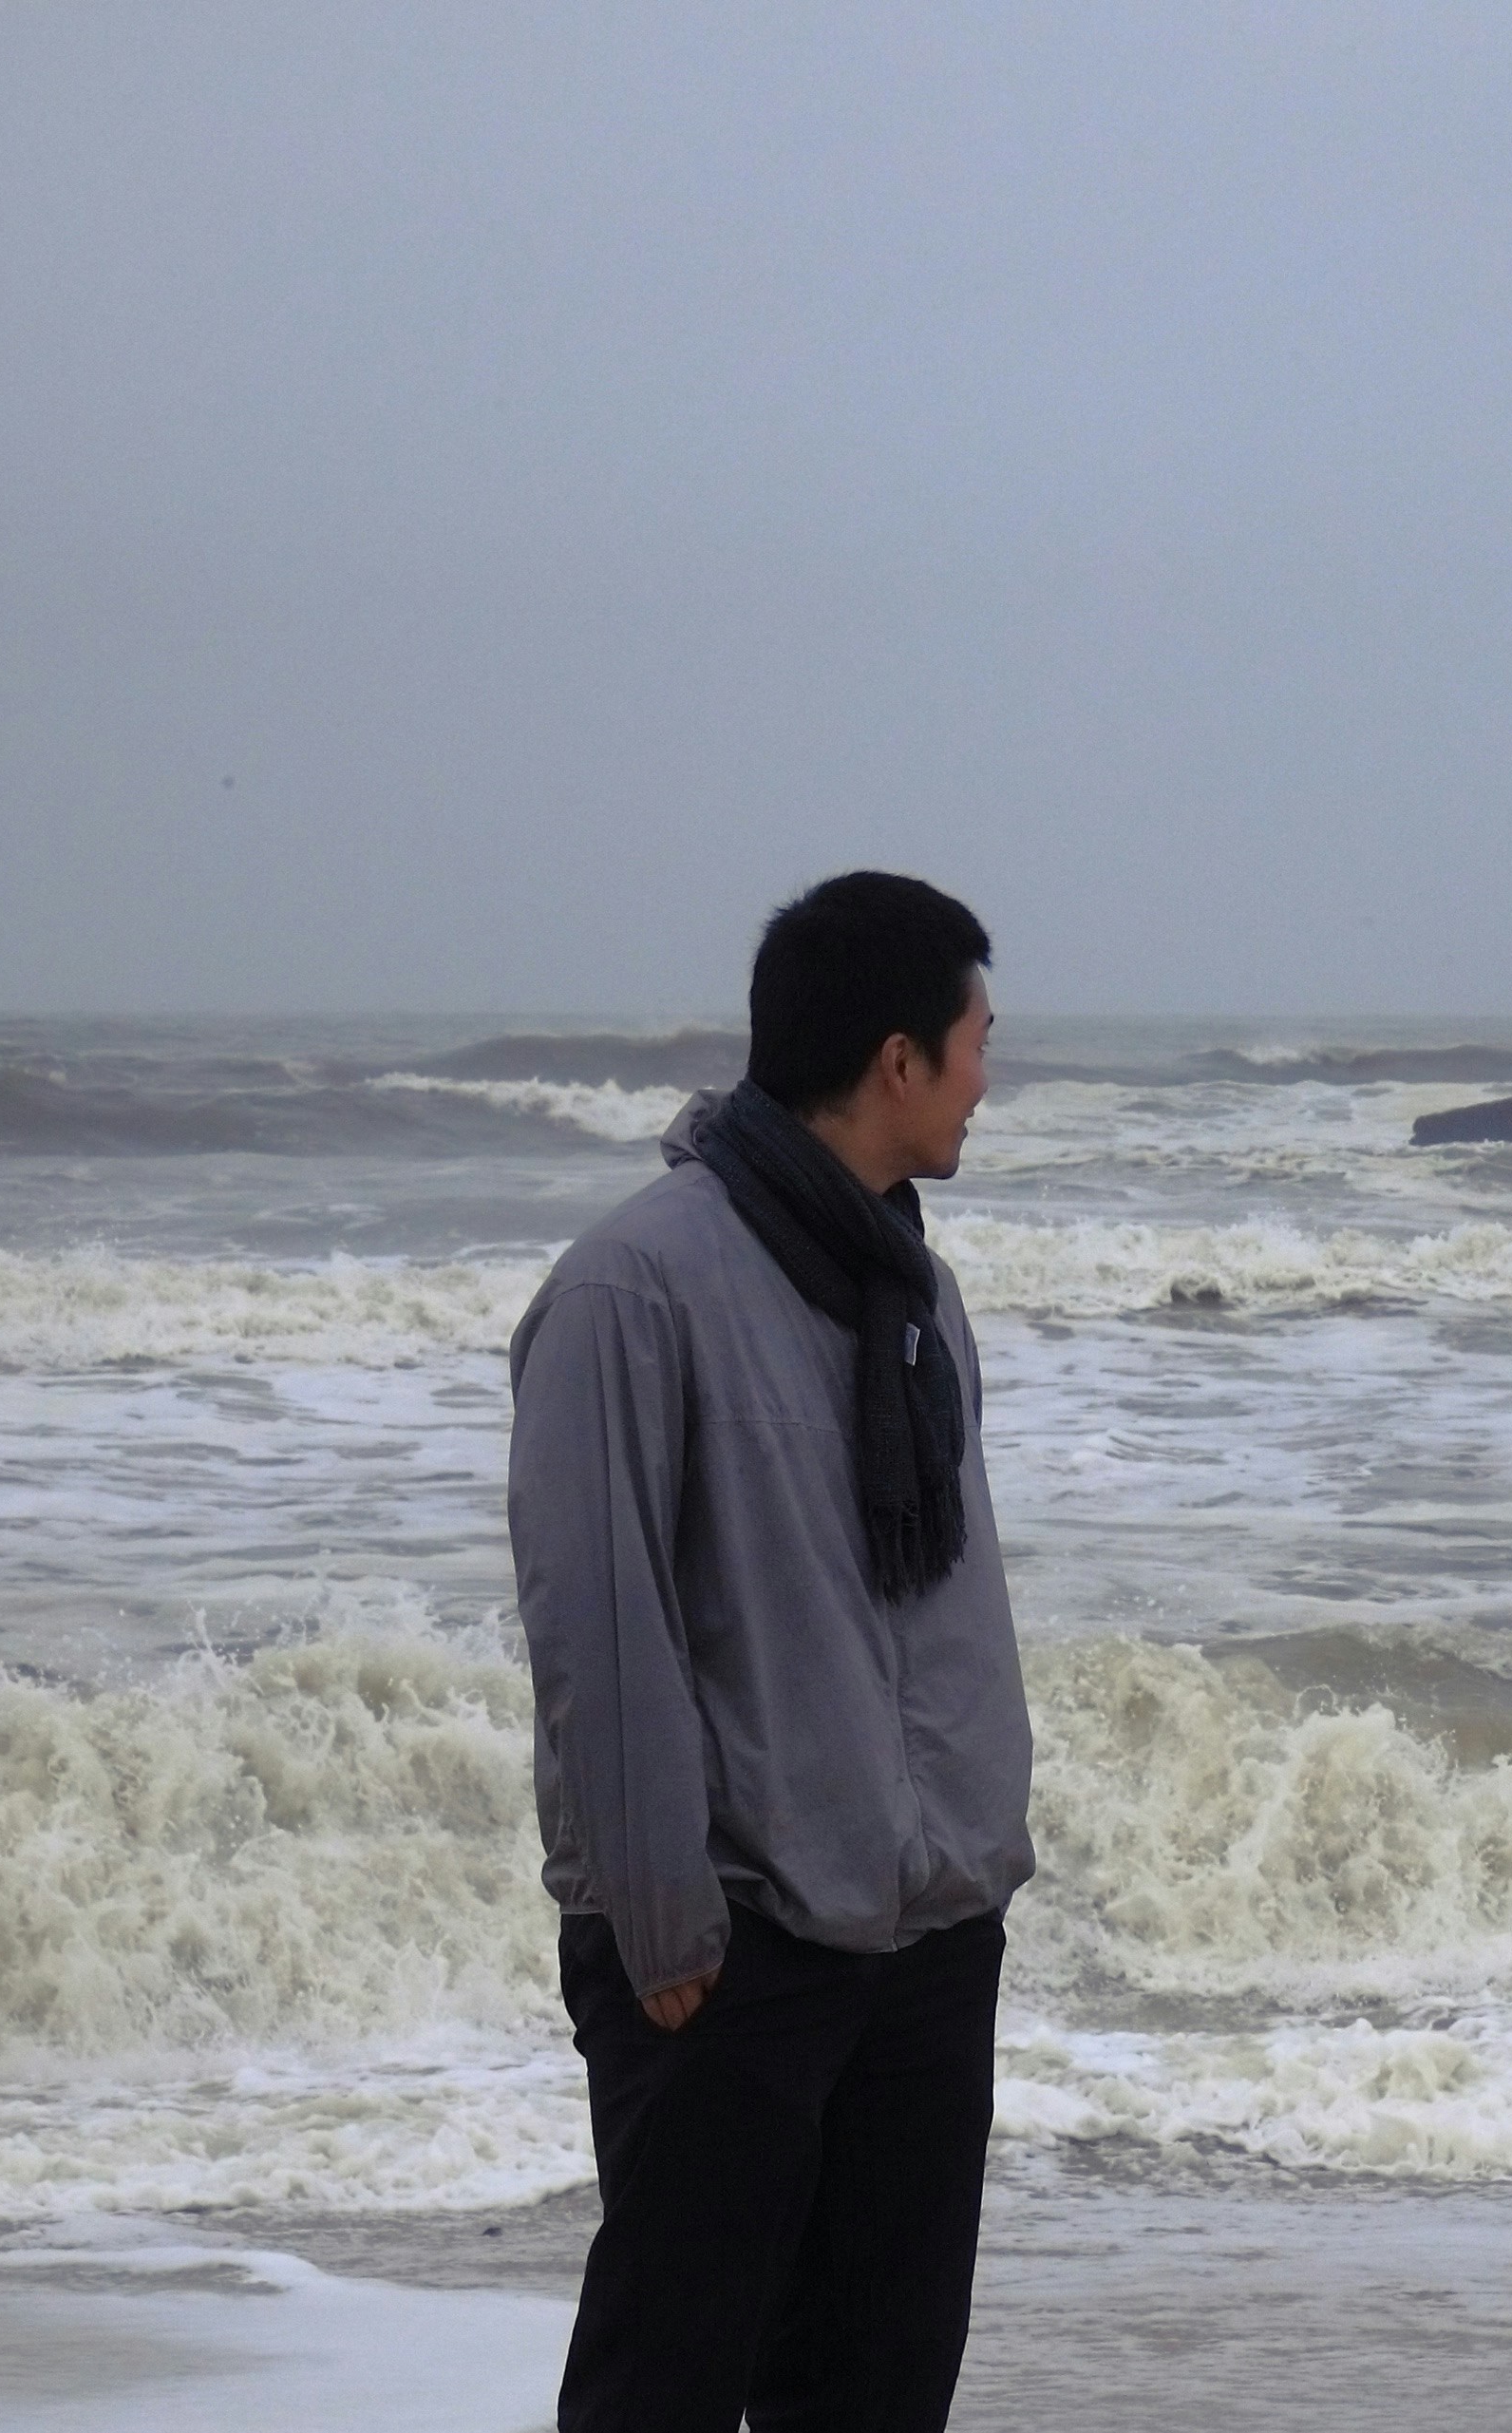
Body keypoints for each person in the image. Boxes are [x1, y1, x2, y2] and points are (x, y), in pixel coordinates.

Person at [509, 870, 1033, 2433]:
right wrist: (665, 1922)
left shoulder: (914, 1290)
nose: (988, 1079)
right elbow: (597, 1621)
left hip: (927, 1938)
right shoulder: (634, 1285)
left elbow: (928, 1607)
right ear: (898, 1060)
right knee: (665, 2390)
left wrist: (975, 1857)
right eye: (978, 1042)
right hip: (730, 1951)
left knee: (876, 2392)